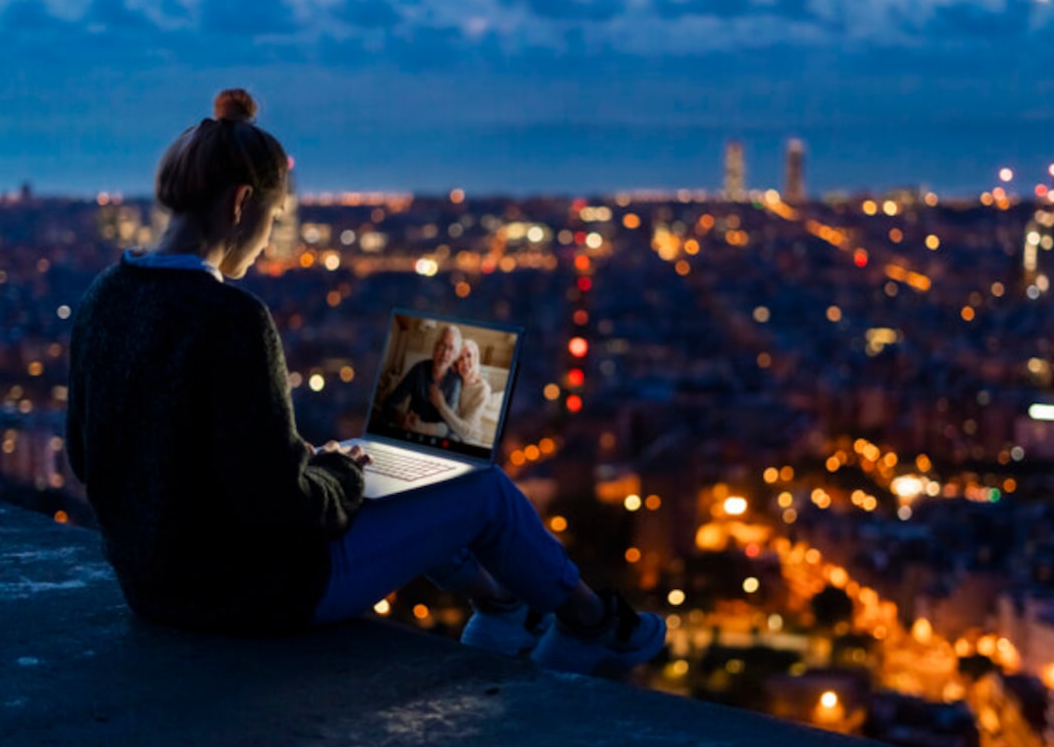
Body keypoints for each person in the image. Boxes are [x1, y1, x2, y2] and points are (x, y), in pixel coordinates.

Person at [64, 89, 664, 676]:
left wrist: (312, 463)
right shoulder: (231, 319)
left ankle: (503, 610)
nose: (269, 240)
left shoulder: (104, 295)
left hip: (154, 587)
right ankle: (592, 626)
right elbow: (284, 506)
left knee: (408, 480)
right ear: (242, 203)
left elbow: (89, 456)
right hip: (250, 594)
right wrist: (341, 475)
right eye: (273, 220)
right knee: (480, 490)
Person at [380, 325, 462, 435]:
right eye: (442, 346)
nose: (445, 354)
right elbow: (389, 403)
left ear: (455, 355)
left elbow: (449, 427)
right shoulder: (419, 369)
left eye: (451, 349)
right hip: (409, 431)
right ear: (435, 347)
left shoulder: (455, 382)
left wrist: (422, 428)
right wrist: (403, 420)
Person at [415, 338, 493, 446]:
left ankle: (418, 427)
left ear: (476, 358)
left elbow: (466, 432)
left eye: (469, 355)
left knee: (449, 438)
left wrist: (441, 406)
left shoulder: (483, 389)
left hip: (470, 438)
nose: (465, 361)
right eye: (460, 358)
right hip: (451, 429)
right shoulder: (456, 380)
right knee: (442, 430)